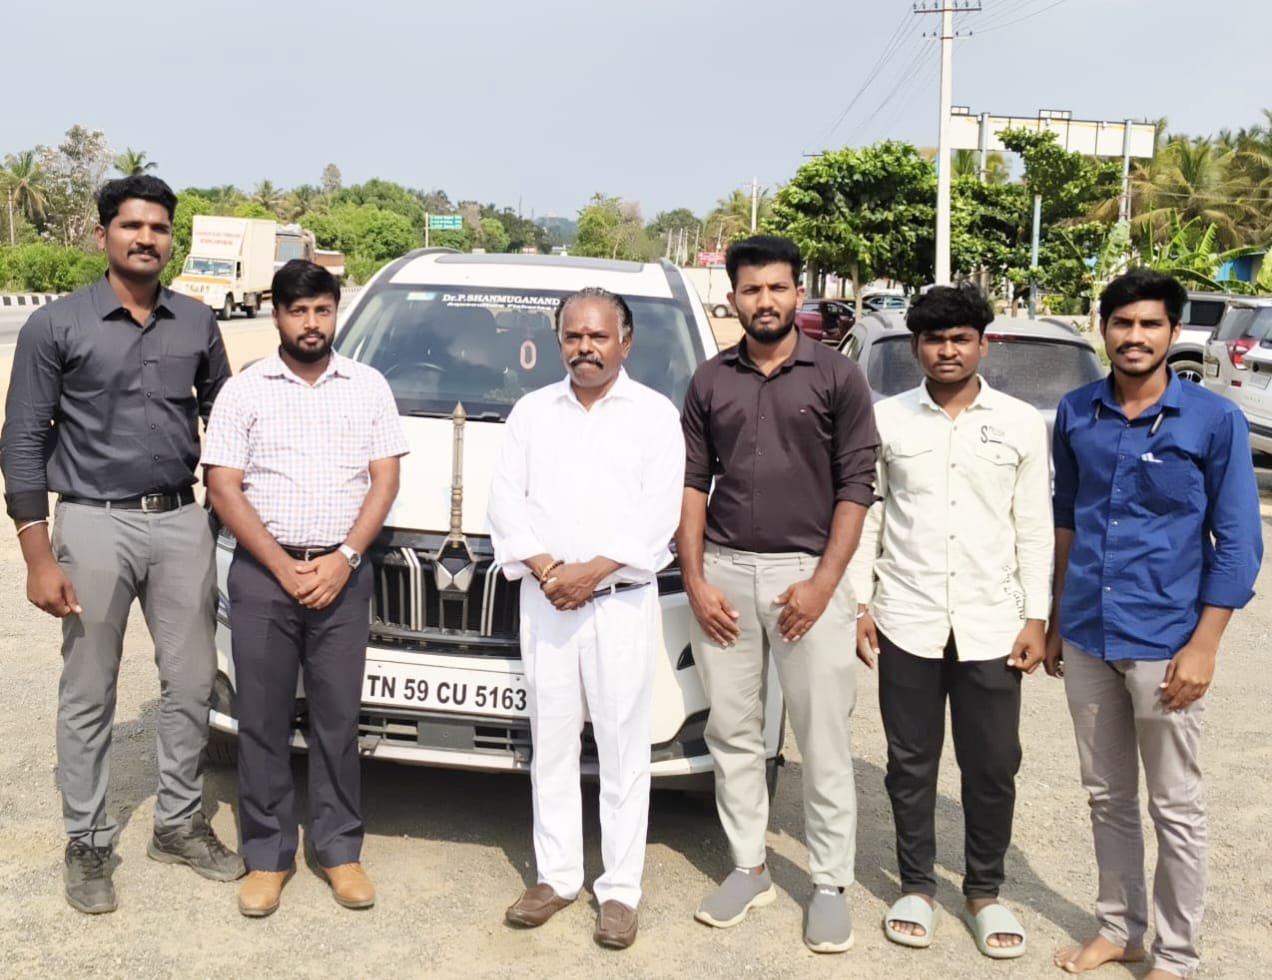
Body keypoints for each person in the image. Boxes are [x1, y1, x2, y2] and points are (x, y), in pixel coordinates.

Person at [0, 175, 243, 914]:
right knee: (89, 688)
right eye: (132, 226)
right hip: (93, 523)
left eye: (159, 228)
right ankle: (88, 840)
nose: (146, 238)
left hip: (180, 522)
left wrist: (228, 511)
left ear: (172, 239)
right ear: (103, 233)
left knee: (192, 682)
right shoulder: (56, 325)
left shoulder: (196, 322)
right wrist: (37, 554)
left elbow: (227, 420)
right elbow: (22, 439)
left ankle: (177, 823)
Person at [1045, 269, 1262, 979]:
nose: (1134, 337)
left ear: (1173, 332)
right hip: (1087, 634)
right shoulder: (1076, 412)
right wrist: (1056, 617)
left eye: (1149, 324)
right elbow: (1067, 520)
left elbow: (1238, 540)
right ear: (1102, 328)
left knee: (1175, 805)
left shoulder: (1213, 419)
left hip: (1166, 640)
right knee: (1107, 796)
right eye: (1122, 323)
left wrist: (1205, 645)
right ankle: (1120, 930)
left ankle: (1175, 955)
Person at [677, 235, 878, 954]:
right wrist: (696, 579)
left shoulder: (838, 376)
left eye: (777, 287)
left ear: (798, 293)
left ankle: (828, 884)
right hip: (725, 574)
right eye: (751, 290)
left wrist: (825, 585)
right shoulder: (710, 380)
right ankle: (748, 868)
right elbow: (692, 483)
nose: (765, 301)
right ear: (732, 299)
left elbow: (857, 486)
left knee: (823, 737)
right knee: (732, 732)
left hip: (807, 575)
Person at [848, 284, 1052, 959]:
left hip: (993, 624)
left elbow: (1034, 527)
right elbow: (869, 516)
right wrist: (860, 603)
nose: (947, 350)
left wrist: (1036, 616)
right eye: (934, 339)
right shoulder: (887, 420)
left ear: (982, 345)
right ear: (916, 348)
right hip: (906, 616)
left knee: (992, 765)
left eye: (961, 338)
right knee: (910, 763)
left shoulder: (1020, 423)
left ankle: (984, 892)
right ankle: (916, 887)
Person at [202, 260, 407, 917]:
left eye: (322, 310)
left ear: (335, 311)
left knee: (337, 719)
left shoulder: (368, 387)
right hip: (264, 575)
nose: (311, 323)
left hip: (342, 576)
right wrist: (280, 564)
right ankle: (267, 857)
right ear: (277, 316)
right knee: (261, 719)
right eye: (298, 311)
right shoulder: (245, 390)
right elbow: (223, 486)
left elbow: (385, 480)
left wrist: (345, 557)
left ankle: (339, 851)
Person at [487, 287, 684, 950]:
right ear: (559, 341)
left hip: (618, 604)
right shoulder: (532, 412)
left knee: (625, 749)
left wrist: (590, 572)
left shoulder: (654, 416)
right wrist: (549, 570)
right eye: (573, 336)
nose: (585, 348)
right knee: (552, 742)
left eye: (598, 336)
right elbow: (505, 502)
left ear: (625, 342)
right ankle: (557, 877)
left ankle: (620, 890)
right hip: (547, 603)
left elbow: (659, 516)